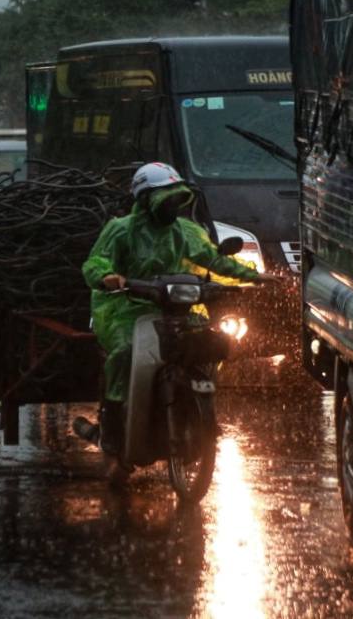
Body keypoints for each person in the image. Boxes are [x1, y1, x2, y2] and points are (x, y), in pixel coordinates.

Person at [79, 162, 275, 477]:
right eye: (165, 199)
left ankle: (193, 415)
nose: (172, 206)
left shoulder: (187, 232)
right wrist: (108, 277)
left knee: (205, 344)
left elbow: (213, 260)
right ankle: (113, 437)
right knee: (125, 352)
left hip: (176, 307)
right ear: (145, 200)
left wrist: (255, 277)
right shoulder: (121, 230)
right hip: (125, 308)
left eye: (176, 199)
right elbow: (95, 262)